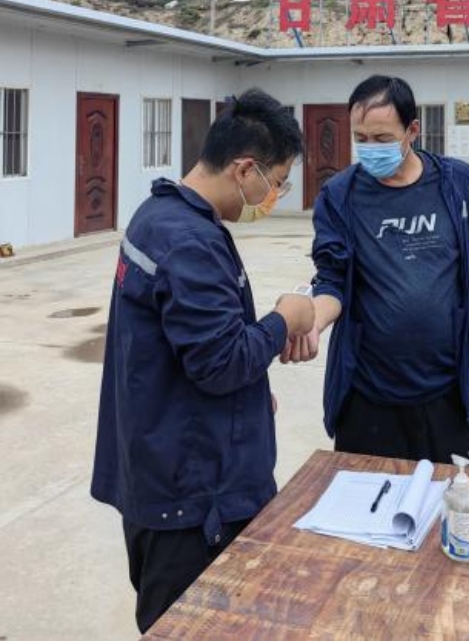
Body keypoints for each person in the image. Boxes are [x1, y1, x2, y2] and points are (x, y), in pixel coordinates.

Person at [91, 89, 314, 635]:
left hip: (165, 474)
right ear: (245, 170)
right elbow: (220, 363)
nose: (276, 195)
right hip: (193, 506)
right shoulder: (190, 241)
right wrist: (284, 319)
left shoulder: (158, 215)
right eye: (278, 181)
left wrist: (250, 397)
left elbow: (183, 350)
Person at [283, 75, 469, 466]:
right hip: (368, 395)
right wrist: (312, 323)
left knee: (451, 498)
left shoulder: (458, 185)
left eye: (382, 138)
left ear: (412, 131)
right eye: (361, 138)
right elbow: (333, 280)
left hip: (449, 393)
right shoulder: (339, 195)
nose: (370, 149)